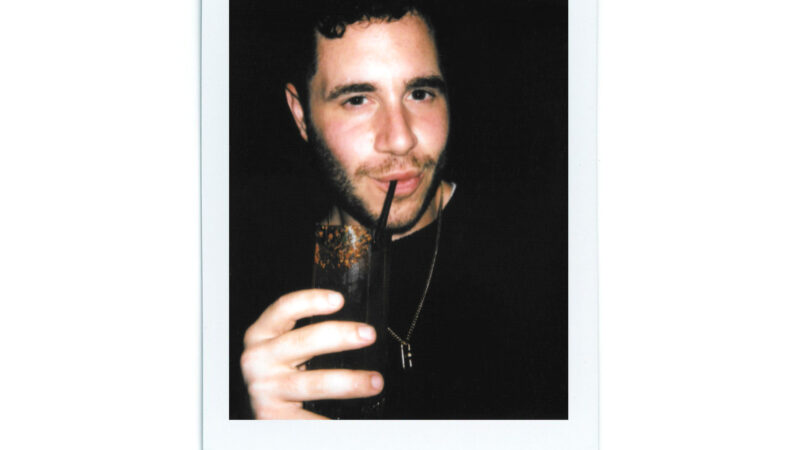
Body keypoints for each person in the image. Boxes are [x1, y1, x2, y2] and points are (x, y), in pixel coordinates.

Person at [230, 0, 567, 420]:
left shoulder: (544, 255)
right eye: (357, 99)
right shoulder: (248, 281)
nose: (401, 138)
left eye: (420, 93)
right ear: (301, 115)